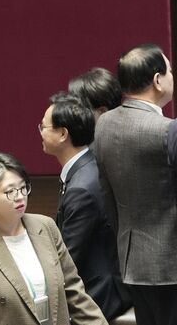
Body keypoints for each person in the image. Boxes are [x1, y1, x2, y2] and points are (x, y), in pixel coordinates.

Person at [0, 153, 106, 325]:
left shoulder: (45, 227)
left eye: (23, 188)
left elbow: (74, 291)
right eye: (10, 191)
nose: (19, 196)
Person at [93, 43, 177, 325]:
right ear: (157, 80)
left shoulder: (104, 124)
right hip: (172, 265)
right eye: (169, 71)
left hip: (132, 260)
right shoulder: (167, 130)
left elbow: (108, 195)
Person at [39, 93, 131, 320]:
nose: (40, 131)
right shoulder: (88, 165)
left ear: (62, 134)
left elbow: (68, 258)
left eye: (44, 126)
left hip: (99, 290)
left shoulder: (81, 189)